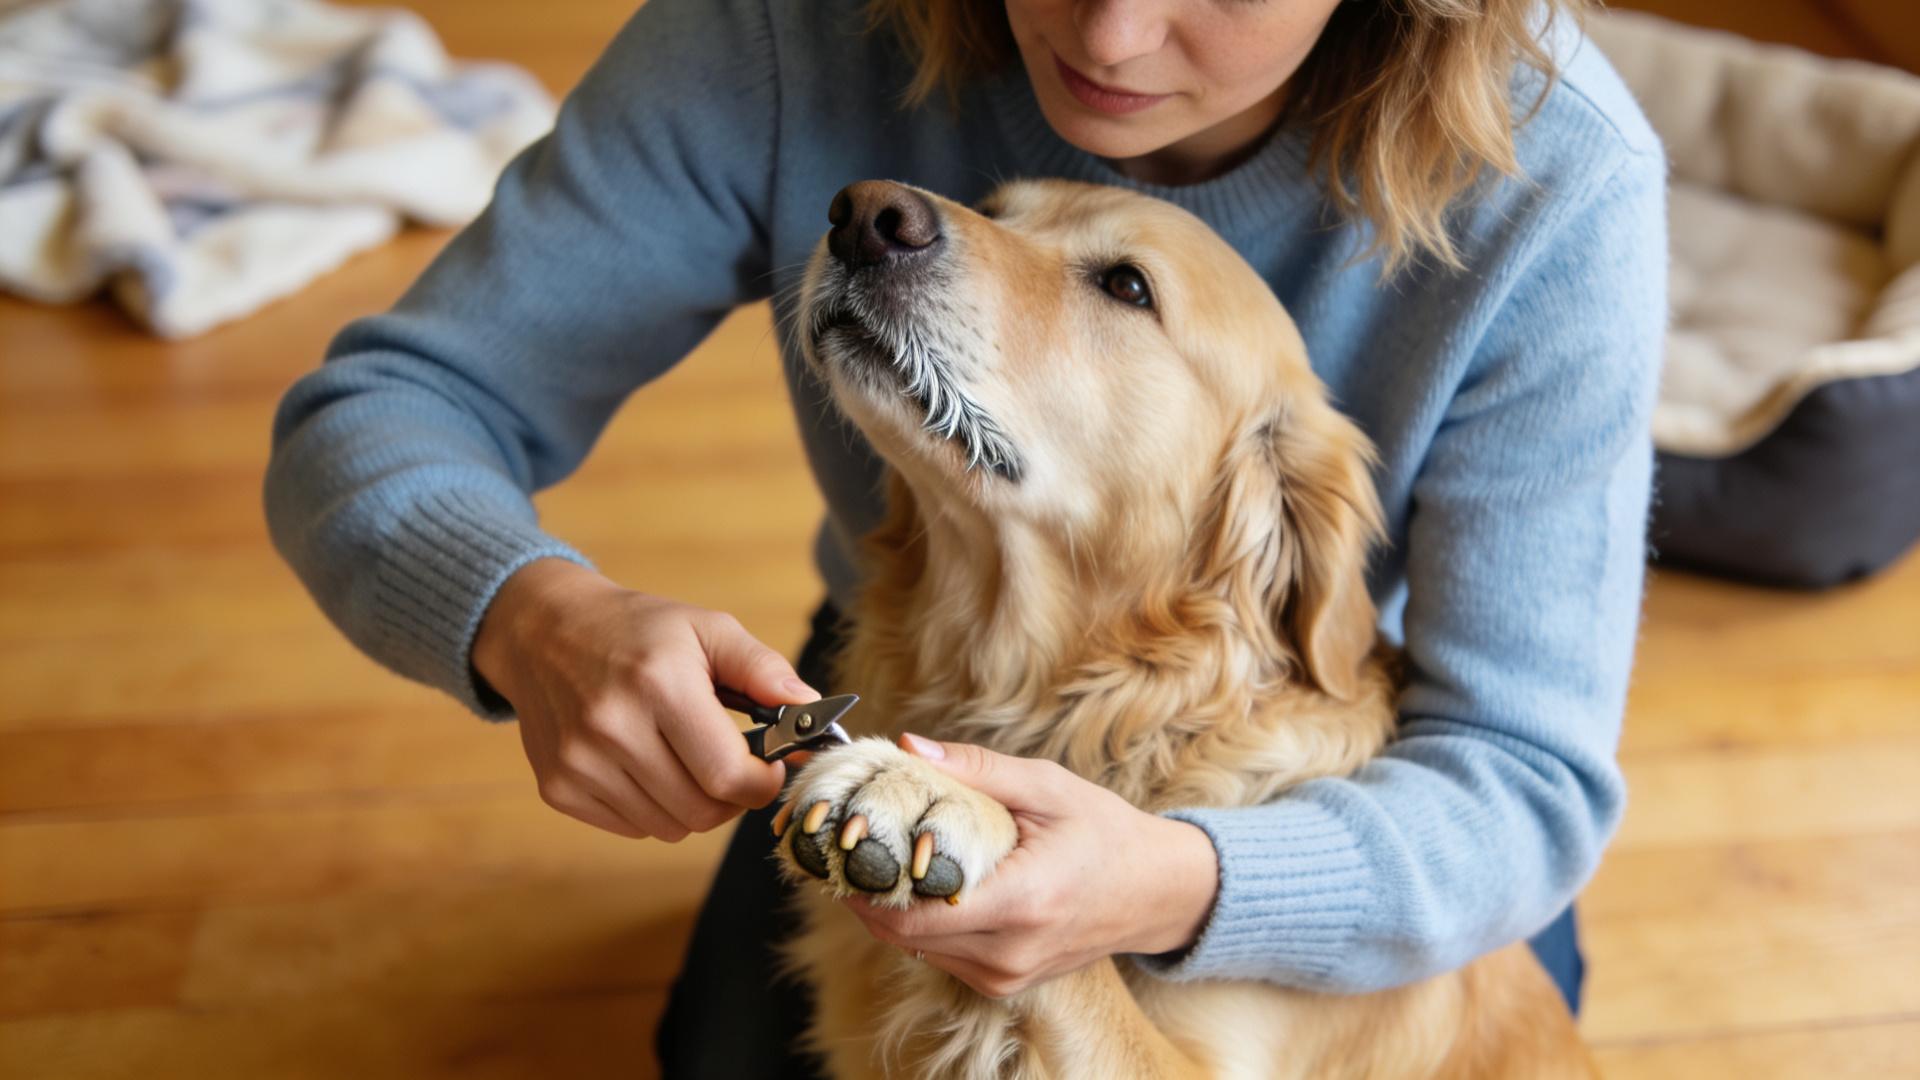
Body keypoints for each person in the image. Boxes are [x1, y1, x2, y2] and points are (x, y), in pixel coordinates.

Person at [264, 0, 1666, 1074]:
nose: (1108, 29)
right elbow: (385, 407)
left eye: (1115, 282)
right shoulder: (786, 32)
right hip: (906, 678)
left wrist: (1162, 885)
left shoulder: (1565, 186)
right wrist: (529, 615)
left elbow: (1519, 774)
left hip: (1402, 794)